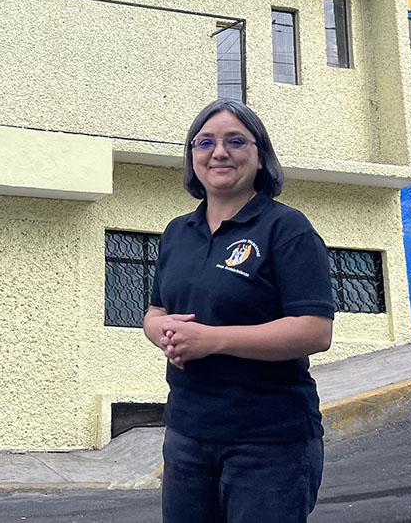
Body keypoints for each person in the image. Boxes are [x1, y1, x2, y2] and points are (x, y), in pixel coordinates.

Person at [143, 99, 335, 523]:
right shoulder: (178, 232)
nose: (219, 152)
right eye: (205, 142)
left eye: (235, 140)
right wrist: (162, 331)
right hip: (187, 434)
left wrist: (212, 340)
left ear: (261, 156)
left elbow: (314, 331)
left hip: (268, 441)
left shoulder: (287, 229)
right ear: (192, 157)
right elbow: (155, 311)